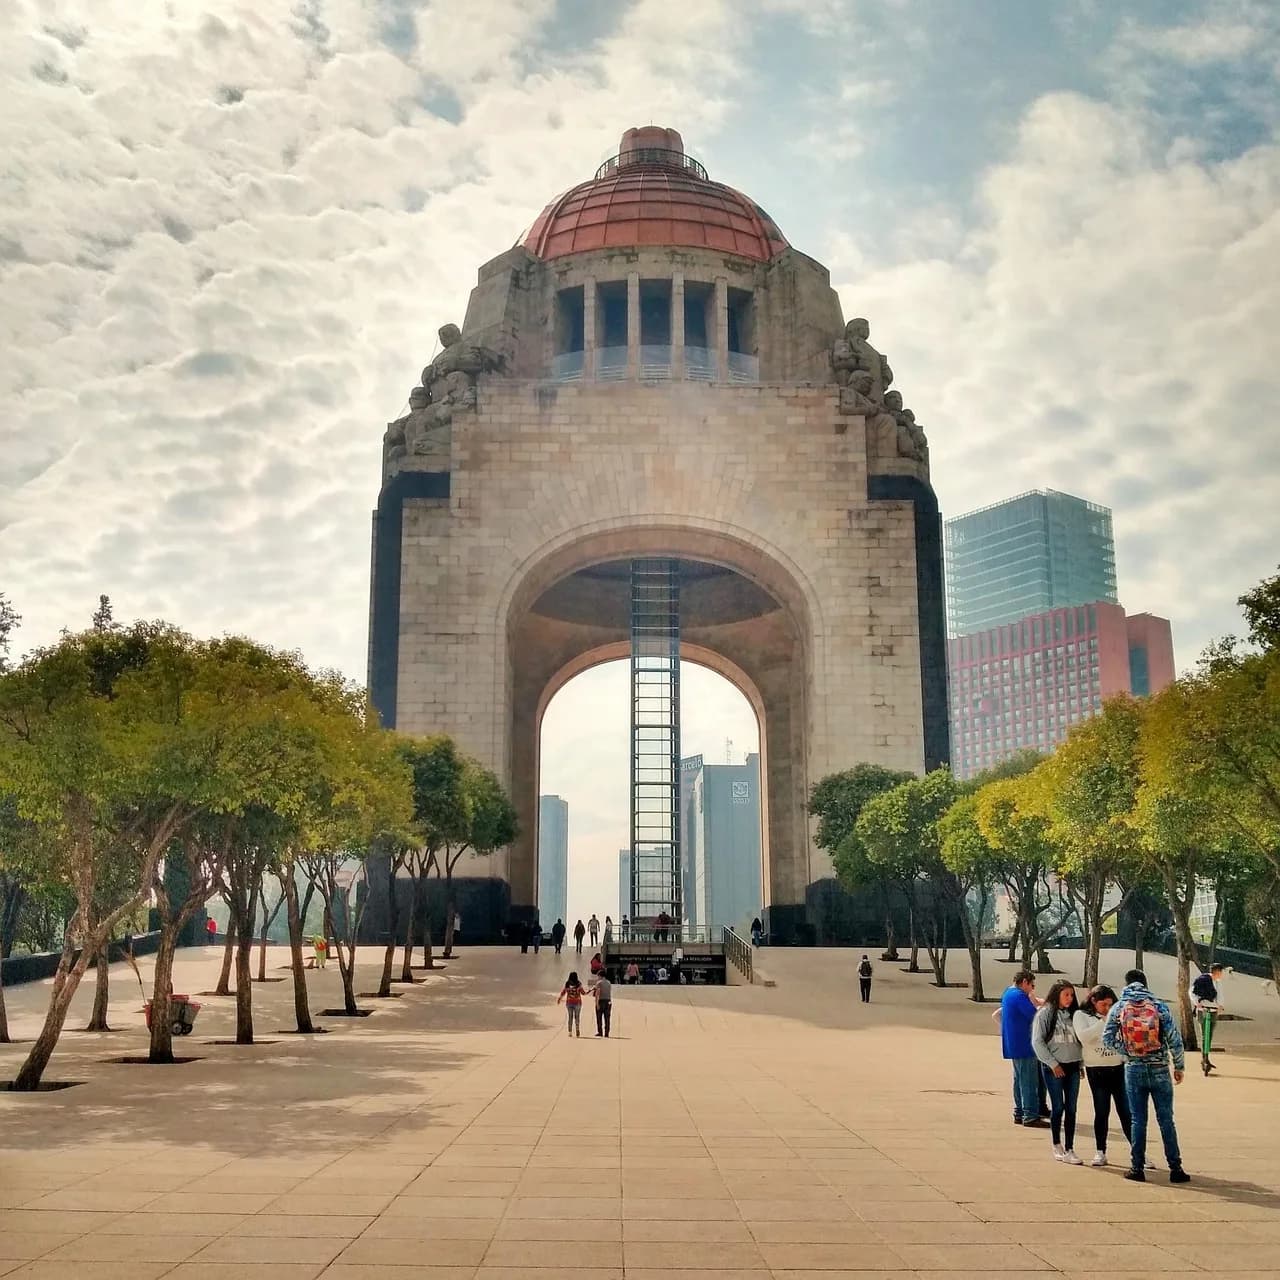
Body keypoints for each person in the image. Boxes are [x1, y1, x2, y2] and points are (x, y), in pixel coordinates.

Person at [1102, 968, 1191, 1184]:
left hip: (1134, 1069)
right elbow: (1175, 1040)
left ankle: (1137, 1168)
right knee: (1166, 1119)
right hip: (1160, 1068)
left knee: (1138, 1120)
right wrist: (1179, 1066)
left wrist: (1129, 1052)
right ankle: (1176, 1168)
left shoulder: (1119, 1007)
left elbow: (1107, 1038)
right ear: (1145, 983)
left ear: (1126, 984)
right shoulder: (1159, 1006)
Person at [1074, 984, 1146, 1169]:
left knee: (1126, 1111)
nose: (1107, 1008)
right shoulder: (1082, 1016)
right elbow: (1084, 1037)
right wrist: (1104, 1021)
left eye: (1110, 1005)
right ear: (1093, 1001)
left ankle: (1138, 1153)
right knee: (1102, 1109)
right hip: (1096, 1069)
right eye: (1103, 1004)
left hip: (1117, 1067)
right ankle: (1100, 1151)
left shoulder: (1118, 1016)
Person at [1032, 980, 1084, 1164]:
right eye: (1066, 995)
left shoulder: (1075, 1014)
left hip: (1073, 1066)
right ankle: (1056, 1144)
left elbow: (1080, 1041)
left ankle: (1070, 1148)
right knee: (1058, 1106)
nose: (1069, 998)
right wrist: (1053, 1064)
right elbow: (1037, 1042)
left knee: (1071, 1107)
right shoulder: (1045, 1013)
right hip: (1054, 1067)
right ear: (1057, 995)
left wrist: (1081, 1063)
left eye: (1071, 995)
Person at [1000, 970, 1043, 1128]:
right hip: (1024, 1044)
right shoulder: (1019, 996)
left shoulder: (1007, 993)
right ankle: (1030, 1114)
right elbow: (1034, 1015)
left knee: (1019, 1079)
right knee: (1029, 1081)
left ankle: (1019, 1112)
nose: (1032, 989)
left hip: (1014, 1044)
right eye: (1031, 985)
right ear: (1024, 982)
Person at [1190, 963, 1226, 1075]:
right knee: (1205, 1034)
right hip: (1204, 1010)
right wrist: (1197, 1004)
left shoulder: (1217, 983)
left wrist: (1220, 1006)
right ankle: (1204, 1059)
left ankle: (1206, 1058)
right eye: (1221, 972)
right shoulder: (1203, 980)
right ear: (1217, 972)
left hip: (1214, 1010)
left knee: (1209, 1035)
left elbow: (1219, 996)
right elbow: (1192, 992)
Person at [557, 970, 586, 1037]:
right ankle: (577, 1029)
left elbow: (564, 992)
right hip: (578, 1002)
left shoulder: (567, 983)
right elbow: (583, 993)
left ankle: (570, 1032)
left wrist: (559, 998)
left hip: (569, 1002)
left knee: (570, 1017)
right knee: (577, 1017)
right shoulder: (579, 984)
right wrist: (588, 992)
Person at [591, 971, 613, 1036]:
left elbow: (598, 993)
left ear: (600, 976)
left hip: (601, 1001)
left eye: (598, 976)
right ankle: (607, 1033)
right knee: (607, 1018)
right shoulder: (609, 982)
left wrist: (597, 1003)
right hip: (608, 1001)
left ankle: (600, 1032)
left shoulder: (599, 983)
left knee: (599, 1017)